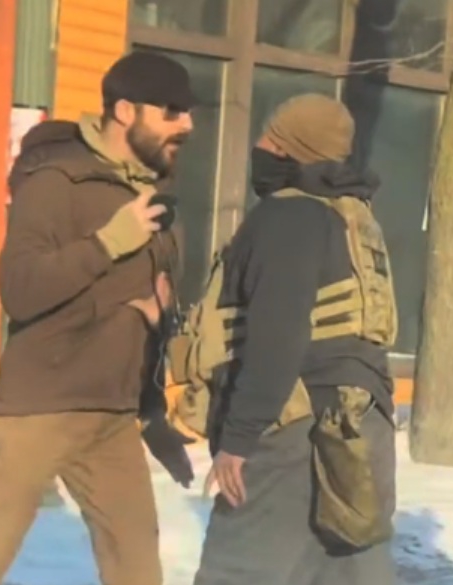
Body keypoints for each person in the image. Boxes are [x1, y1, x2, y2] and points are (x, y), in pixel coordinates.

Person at [0, 51, 196, 585]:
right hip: (40, 409)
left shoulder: (147, 192)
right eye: (172, 111)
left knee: (138, 571)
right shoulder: (57, 180)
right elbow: (20, 288)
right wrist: (108, 243)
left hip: (111, 416)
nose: (187, 125)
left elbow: (137, 310)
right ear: (124, 111)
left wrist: (153, 402)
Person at [170, 94, 397, 585]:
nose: (261, 147)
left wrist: (239, 439)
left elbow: (278, 334)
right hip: (364, 425)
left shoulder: (287, 217)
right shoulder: (355, 220)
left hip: (294, 428)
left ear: (294, 149)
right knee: (347, 573)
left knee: (237, 572)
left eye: (272, 139)